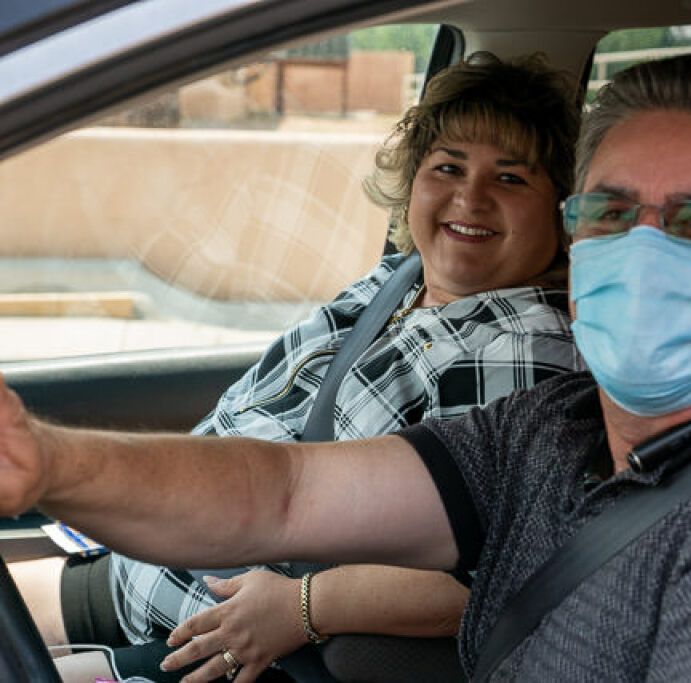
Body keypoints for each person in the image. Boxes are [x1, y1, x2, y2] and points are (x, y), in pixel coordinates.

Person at [0, 53, 691, 681]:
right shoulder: (551, 429)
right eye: (609, 211)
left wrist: (310, 606)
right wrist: (48, 461)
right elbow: (279, 493)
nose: (643, 248)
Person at [9, 51, 583, 682]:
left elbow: (499, 577)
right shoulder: (402, 278)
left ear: (561, 210)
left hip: (230, 644)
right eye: (447, 167)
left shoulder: (520, 345)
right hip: (150, 576)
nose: (469, 197)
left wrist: (303, 607)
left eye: (510, 179)